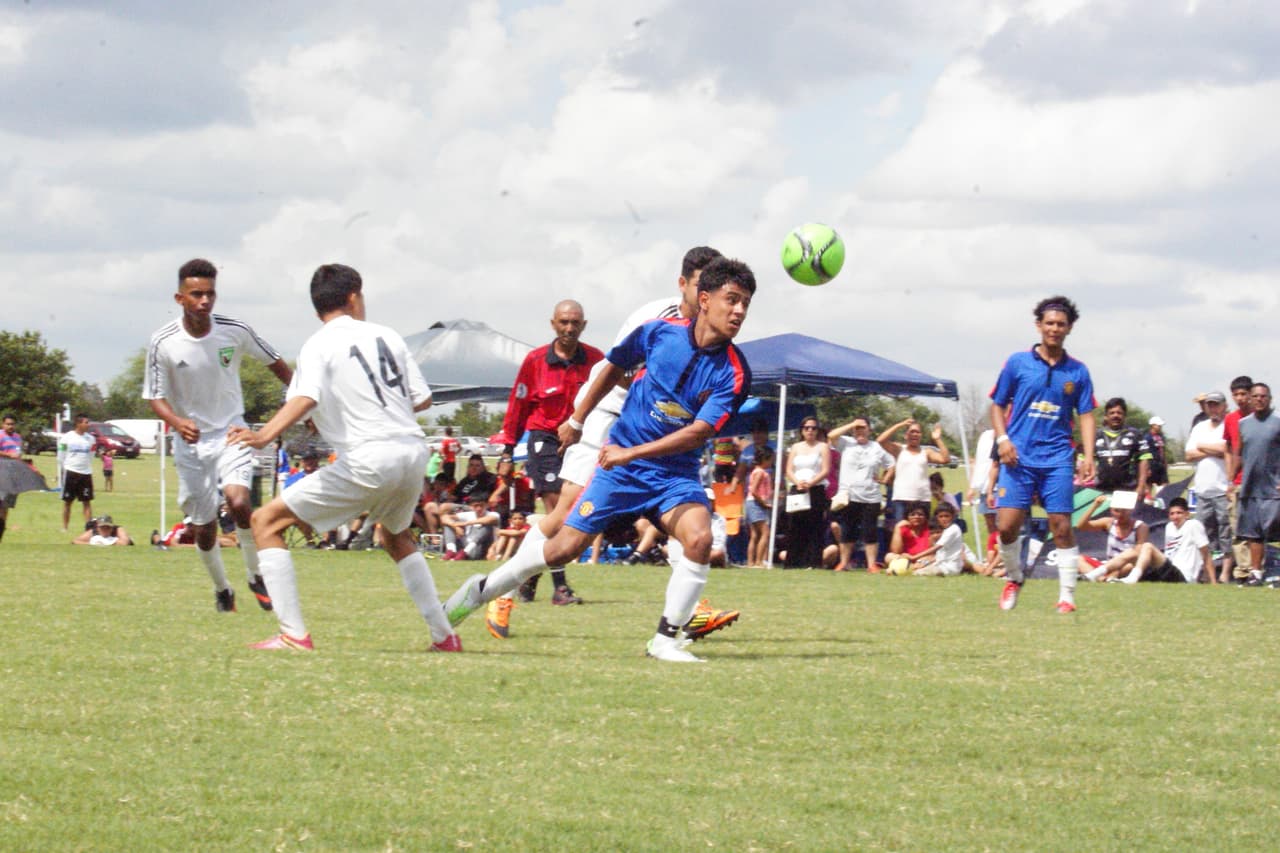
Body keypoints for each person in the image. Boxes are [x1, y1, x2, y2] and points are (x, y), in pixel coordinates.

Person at [444, 256, 755, 663]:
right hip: (621, 470)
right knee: (562, 548)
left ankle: (665, 641)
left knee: (699, 539)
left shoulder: (735, 371)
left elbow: (698, 432)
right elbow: (611, 368)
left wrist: (630, 452)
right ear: (704, 298)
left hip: (672, 474)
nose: (739, 311)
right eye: (732, 299)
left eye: (745, 303)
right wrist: (578, 418)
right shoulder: (657, 331)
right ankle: (481, 590)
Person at [226, 262, 460, 652]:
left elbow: (305, 397)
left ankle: (293, 635)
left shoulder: (317, 344)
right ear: (354, 297)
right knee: (396, 537)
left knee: (264, 522)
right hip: (412, 451)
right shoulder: (387, 335)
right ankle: (444, 636)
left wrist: (263, 435)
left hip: (369, 456)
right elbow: (421, 399)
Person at [144, 258, 292, 613]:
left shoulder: (234, 330)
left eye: (210, 294)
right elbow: (154, 396)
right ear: (180, 298)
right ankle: (222, 588)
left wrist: (302, 400)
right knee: (204, 526)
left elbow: (277, 364)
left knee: (240, 502)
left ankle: (255, 575)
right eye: (196, 294)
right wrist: (177, 421)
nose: (205, 301)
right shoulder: (163, 341)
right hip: (190, 444)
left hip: (231, 432)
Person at [490, 299, 604, 606]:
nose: (569, 328)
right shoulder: (535, 361)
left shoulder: (596, 360)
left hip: (580, 440)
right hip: (545, 441)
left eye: (575, 323)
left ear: (584, 325)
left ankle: (530, 575)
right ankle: (560, 588)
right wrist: (507, 452)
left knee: (564, 513)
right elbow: (517, 407)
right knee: (558, 511)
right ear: (553, 324)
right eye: (563, 322)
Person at [990, 295, 1097, 613]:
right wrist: (1003, 440)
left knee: (1061, 525)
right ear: (1039, 325)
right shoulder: (1017, 363)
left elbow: (1086, 414)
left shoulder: (1078, 371)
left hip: (1057, 458)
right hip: (1018, 458)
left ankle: (1067, 597)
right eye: (1049, 323)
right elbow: (997, 405)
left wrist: (1088, 455)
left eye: (1061, 324)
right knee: (1006, 526)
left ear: (1069, 328)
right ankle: (1014, 577)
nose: (1054, 328)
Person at [827, 416, 894, 572]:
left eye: (863, 428)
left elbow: (891, 464)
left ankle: (871, 565)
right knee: (847, 530)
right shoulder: (846, 443)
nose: (860, 431)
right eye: (857, 429)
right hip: (849, 496)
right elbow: (831, 436)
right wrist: (852, 424)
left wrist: (884, 479)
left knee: (870, 531)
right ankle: (844, 563)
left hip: (871, 497)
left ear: (869, 430)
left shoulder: (876, 447)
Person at [1235, 382, 1280, 587]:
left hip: (1274, 488)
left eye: (1263, 396)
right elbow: (1239, 453)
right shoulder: (1243, 424)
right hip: (1251, 487)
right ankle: (1256, 574)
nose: (1259, 399)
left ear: (1270, 399)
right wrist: (1231, 479)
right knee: (1254, 534)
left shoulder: (1277, 421)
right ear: (1250, 399)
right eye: (1255, 396)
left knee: (1275, 531)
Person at [1184, 392, 1231, 580]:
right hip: (1202, 490)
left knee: (1226, 534)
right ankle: (1207, 573)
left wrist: (1202, 446)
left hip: (1223, 490)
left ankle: (1225, 573)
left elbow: (1226, 449)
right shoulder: (1199, 427)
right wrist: (1213, 449)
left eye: (1216, 404)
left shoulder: (1229, 425)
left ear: (1224, 406)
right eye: (1210, 405)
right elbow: (1189, 454)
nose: (1213, 408)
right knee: (1203, 535)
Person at [1116, 498, 1214, 584]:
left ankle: (1132, 578)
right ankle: (1108, 575)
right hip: (1168, 570)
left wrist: (1213, 581)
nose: (1175, 517)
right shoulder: (1169, 527)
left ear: (1187, 514)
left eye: (1179, 513)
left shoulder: (1193, 525)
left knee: (1148, 546)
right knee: (1133, 554)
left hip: (1184, 575)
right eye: (1172, 514)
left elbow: (1206, 555)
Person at [877, 418, 951, 524]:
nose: (915, 434)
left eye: (917, 432)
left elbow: (945, 459)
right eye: (912, 431)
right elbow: (881, 440)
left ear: (921, 435)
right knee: (902, 530)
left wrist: (937, 439)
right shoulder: (899, 450)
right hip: (901, 498)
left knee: (922, 531)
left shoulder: (926, 452)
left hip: (922, 499)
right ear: (906, 435)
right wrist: (900, 424)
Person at [783, 416, 830, 568]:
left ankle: (813, 562)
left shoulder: (823, 447)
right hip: (797, 488)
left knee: (815, 526)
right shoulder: (796, 447)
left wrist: (811, 483)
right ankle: (793, 562)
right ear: (802, 430)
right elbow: (789, 469)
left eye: (813, 428)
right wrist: (798, 483)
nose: (810, 431)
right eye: (807, 428)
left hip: (816, 489)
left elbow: (826, 470)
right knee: (795, 526)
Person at [1222, 374, 1255, 580]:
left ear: (1252, 394)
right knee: (1237, 527)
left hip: (1261, 482)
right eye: (1236, 395)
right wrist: (1229, 478)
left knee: (1259, 528)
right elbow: (1228, 448)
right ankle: (1244, 571)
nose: (1240, 398)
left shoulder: (1263, 417)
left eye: (1244, 394)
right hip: (1238, 481)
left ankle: (1258, 569)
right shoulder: (1230, 419)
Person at [1077, 492, 1149, 581]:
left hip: (1125, 565)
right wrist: (1095, 506)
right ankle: (1102, 579)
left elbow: (1138, 552)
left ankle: (1100, 577)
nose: (1120, 514)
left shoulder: (1140, 526)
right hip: (1107, 565)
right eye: (1117, 511)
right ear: (1111, 510)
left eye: (1124, 511)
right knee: (1077, 559)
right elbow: (1081, 526)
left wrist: (1118, 565)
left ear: (1131, 510)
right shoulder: (1109, 522)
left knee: (1130, 564)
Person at [1093, 397, 1150, 495]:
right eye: (1112, 413)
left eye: (1119, 413)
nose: (1115, 415)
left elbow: (1144, 460)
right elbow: (1087, 460)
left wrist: (1141, 486)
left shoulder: (1135, 434)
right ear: (1106, 416)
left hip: (1127, 489)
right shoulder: (1097, 435)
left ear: (1124, 415)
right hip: (1101, 489)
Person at [58, 414, 96, 533]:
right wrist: (64, 469)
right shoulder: (66, 437)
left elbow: (92, 454)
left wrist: (86, 466)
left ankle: (89, 529)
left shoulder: (91, 439)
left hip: (85, 473)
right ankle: (65, 527)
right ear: (78, 424)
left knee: (86, 501)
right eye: (86, 422)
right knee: (68, 502)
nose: (88, 425)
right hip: (71, 472)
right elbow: (61, 454)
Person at [909, 504, 966, 576]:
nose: (944, 519)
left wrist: (914, 557)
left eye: (947, 516)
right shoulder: (946, 530)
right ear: (937, 518)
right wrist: (924, 562)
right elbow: (938, 555)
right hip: (940, 564)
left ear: (953, 516)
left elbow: (936, 548)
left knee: (916, 573)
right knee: (915, 567)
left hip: (949, 568)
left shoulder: (953, 529)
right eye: (941, 516)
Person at [440, 494, 500, 560]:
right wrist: (455, 526)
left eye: (481, 505)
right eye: (476, 506)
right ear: (471, 506)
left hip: (479, 548)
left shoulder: (493, 514)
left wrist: (464, 523)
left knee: (486, 526)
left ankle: (465, 552)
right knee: (448, 524)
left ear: (487, 505)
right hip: (465, 545)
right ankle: (451, 550)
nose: (479, 508)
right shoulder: (469, 514)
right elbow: (444, 517)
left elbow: (491, 519)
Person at [745, 446, 776, 567]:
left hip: (752, 503)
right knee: (765, 532)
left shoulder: (756, 471)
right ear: (764, 459)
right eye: (770, 459)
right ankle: (759, 561)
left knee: (754, 535)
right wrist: (763, 503)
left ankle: (750, 562)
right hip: (756, 504)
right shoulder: (760, 473)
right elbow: (753, 490)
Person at [883, 502, 932, 568]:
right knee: (889, 556)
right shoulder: (903, 528)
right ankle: (912, 567)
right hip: (907, 560)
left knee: (932, 558)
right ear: (907, 517)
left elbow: (933, 552)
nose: (916, 517)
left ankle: (911, 567)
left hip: (924, 559)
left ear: (926, 517)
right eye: (912, 515)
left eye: (920, 514)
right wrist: (897, 527)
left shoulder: (930, 529)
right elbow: (896, 551)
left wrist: (916, 557)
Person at [0, 414, 23, 543]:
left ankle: (1, 533)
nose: (10, 426)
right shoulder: (0, 435)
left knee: (6, 506)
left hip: (12, 476)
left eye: (12, 424)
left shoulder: (17, 437)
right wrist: (9, 455)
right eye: (8, 424)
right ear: (3, 424)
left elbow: (18, 454)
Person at [1143, 415, 1169, 502]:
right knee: (1149, 484)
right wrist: (1147, 467)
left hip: (1160, 464)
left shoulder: (1161, 437)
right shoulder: (1147, 437)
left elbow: (1163, 450)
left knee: (1164, 484)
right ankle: (1147, 501)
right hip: (1152, 464)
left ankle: (1161, 501)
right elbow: (1145, 452)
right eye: (1158, 425)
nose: (1160, 427)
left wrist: (1165, 462)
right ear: (1153, 425)